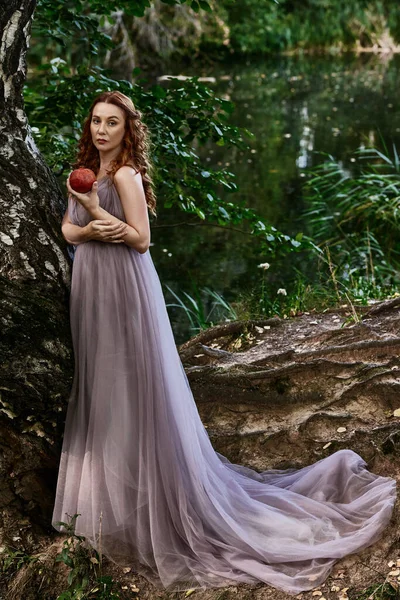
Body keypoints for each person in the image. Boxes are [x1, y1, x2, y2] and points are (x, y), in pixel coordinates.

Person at [52, 90, 396, 596]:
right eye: (96, 122)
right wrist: (87, 221)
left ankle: (151, 500)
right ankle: (110, 499)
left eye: (113, 123)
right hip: (92, 285)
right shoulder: (84, 172)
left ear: (128, 132)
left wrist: (91, 214)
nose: (102, 130)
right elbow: (67, 231)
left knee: (132, 382)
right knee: (101, 384)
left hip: (125, 284)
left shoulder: (125, 175)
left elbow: (141, 239)